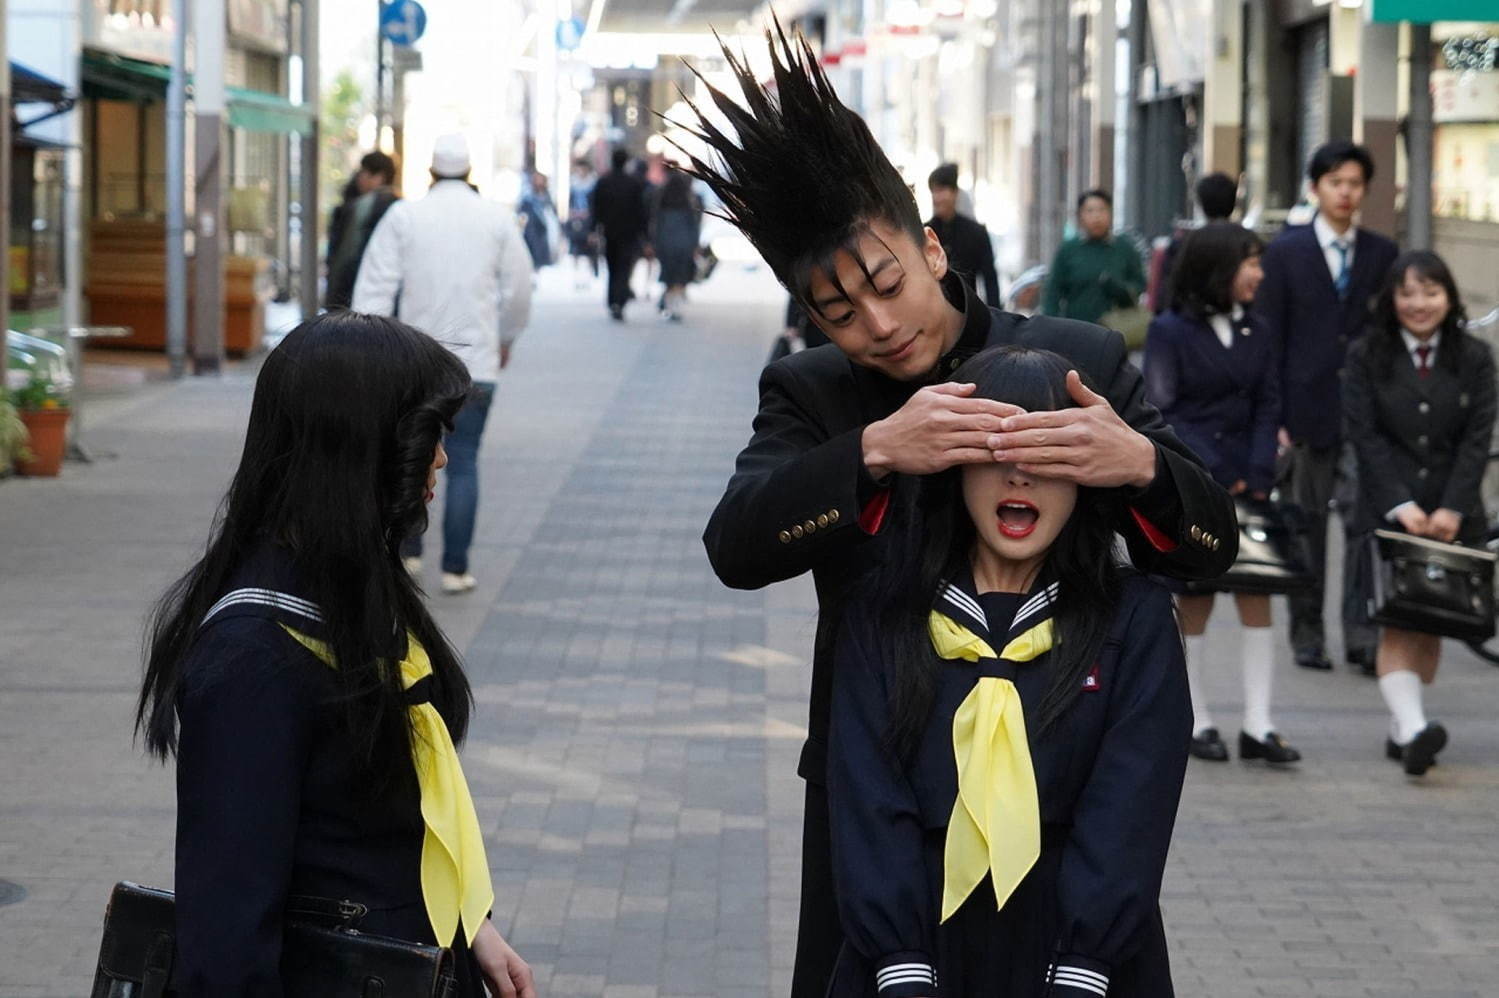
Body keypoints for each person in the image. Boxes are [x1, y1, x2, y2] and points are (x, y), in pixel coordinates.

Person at [676, 24, 1237, 998]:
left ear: (930, 246)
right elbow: (736, 542)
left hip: (1064, 799)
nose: (878, 324)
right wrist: (874, 450)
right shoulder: (814, 394)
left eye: (887, 283)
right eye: (839, 312)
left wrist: (1136, 462)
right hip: (876, 805)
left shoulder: (1075, 360)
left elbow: (1209, 547)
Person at [132, 312, 536, 997]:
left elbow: (398, 819)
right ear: (356, 444)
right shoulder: (253, 659)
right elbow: (225, 941)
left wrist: (470, 927)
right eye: (424, 431)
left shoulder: (350, 585)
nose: (439, 456)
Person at [827, 346, 1190, 998]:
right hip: (911, 951)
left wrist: (1083, 967)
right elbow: (865, 796)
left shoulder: (1131, 619)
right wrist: (901, 965)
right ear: (955, 467)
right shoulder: (884, 610)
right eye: (997, 454)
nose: (1019, 478)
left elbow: (1132, 806)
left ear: (1086, 476)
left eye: (1048, 457)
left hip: (1083, 960)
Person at [352, 133, 533, 594]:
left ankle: (408, 555)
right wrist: (506, 337)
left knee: (409, 460)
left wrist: (371, 350)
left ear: (430, 171)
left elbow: (372, 290)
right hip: (478, 366)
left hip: (415, 366)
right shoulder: (495, 219)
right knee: (466, 462)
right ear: (469, 171)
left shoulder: (404, 216)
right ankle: (455, 568)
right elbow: (519, 289)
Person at [1145, 222, 1298, 765]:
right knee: (1196, 598)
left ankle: (1259, 723)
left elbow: (1268, 405)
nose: (1259, 273)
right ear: (1217, 270)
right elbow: (1166, 410)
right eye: (1249, 263)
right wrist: (1212, 472)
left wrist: (1256, 472)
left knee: (1260, 591)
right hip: (1197, 484)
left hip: (1250, 486)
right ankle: (1197, 718)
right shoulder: (1168, 331)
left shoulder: (1260, 328)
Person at [1343, 251, 1496, 776]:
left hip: (1454, 515)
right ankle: (1413, 730)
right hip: (1389, 513)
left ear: (1449, 297)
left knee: (1430, 629)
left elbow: (1478, 439)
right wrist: (1403, 507)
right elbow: (1365, 437)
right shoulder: (1367, 356)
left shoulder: (1474, 358)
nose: (1419, 304)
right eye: (1407, 293)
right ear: (1391, 299)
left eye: (1430, 292)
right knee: (1397, 623)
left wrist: (1452, 508)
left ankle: (1402, 724)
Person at [1255, 140, 1399, 676]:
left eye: (1355, 184)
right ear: (1315, 188)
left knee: (1365, 528)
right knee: (1305, 528)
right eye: (1336, 182)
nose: (1346, 192)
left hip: (1367, 417)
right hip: (1303, 414)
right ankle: (1308, 635)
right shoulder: (1285, 253)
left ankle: (1363, 635)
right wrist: (1275, 418)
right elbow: (1268, 340)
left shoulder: (1383, 256)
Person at [1041, 190, 1144, 326]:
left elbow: (1140, 284)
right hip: (1078, 329)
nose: (1096, 217)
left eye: (1102, 210)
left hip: (1118, 330)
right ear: (1080, 216)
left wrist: (1120, 288)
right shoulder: (1068, 249)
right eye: (1090, 211)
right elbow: (1053, 292)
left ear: (1110, 213)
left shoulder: (1124, 248)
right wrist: (1051, 325)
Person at [1153, 172, 1237, 314]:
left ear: (1200, 203)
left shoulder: (1183, 244)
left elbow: (1167, 294)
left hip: (1190, 321)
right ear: (1234, 202)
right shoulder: (1247, 244)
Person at [325, 150, 399, 309]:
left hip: (355, 294)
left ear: (379, 176)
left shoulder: (362, 207)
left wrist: (335, 298)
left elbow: (346, 254)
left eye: (364, 173)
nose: (359, 178)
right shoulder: (401, 208)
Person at [925, 163, 1000, 306]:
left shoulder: (976, 233)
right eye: (934, 191)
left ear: (955, 193)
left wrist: (996, 319)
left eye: (941, 190)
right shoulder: (925, 231)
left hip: (967, 313)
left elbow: (990, 281)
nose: (936, 197)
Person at [590, 148, 650, 321]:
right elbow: (641, 211)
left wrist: (594, 229)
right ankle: (620, 301)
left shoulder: (603, 182)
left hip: (609, 232)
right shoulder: (634, 183)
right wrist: (645, 235)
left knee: (612, 267)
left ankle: (612, 300)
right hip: (629, 233)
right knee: (624, 267)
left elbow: (596, 207)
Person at [649, 168, 703, 322]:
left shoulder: (662, 206)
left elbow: (656, 228)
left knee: (669, 276)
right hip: (684, 246)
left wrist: (654, 244)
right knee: (680, 278)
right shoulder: (689, 207)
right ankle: (675, 307)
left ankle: (668, 305)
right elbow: (694, 228)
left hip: (665, 246)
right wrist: (695, 245)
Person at [567, 159, 599, 289]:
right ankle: (577, 277)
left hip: (589, 220)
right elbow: (570, 202)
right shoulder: (574, 184)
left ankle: (587, 277)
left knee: (589, 250)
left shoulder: (593, 184)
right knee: (575, 250)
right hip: (576, 220)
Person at [518, 171, 560, 270]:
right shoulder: (527, 200)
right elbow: (522, 218)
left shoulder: (548, 200)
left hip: (544, 239)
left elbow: (553, 220)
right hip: (531, 238)